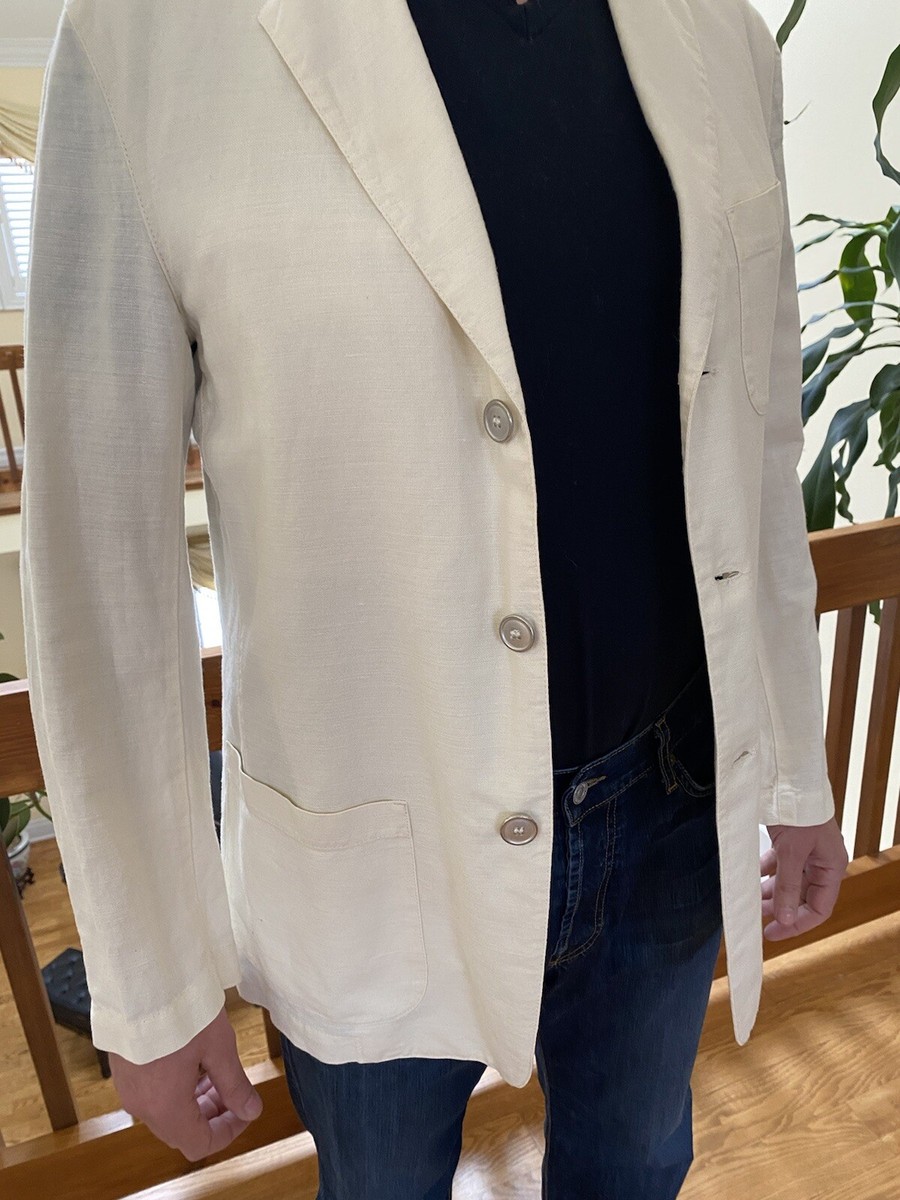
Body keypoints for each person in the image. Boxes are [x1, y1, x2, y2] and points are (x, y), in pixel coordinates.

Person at [20, 0, 848, 1196]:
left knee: (637, 1164)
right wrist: (149, 984)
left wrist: (795, 777)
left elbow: (757, 444)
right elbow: (96, 560)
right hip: (369, 853)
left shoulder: (716, 29)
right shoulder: (152, 35)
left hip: (673, 798)